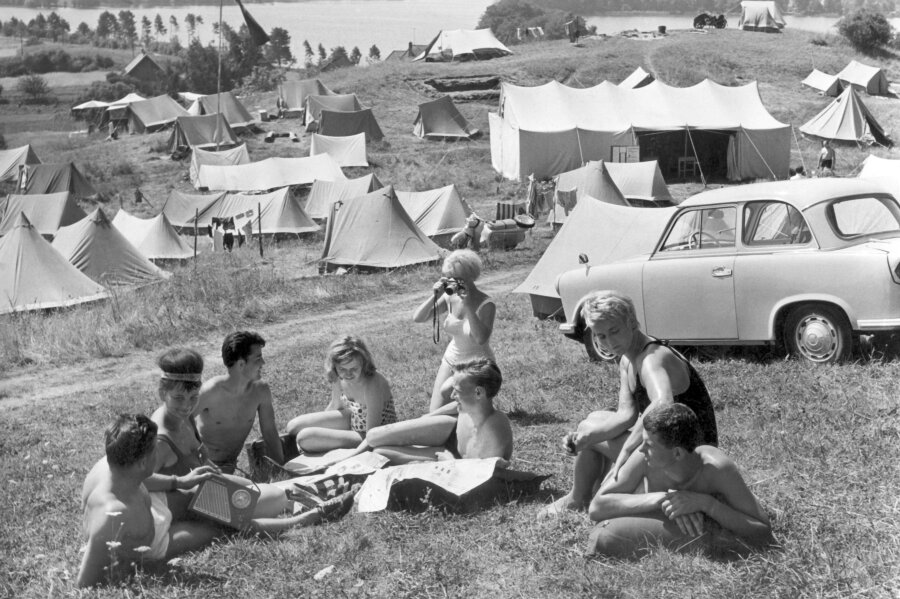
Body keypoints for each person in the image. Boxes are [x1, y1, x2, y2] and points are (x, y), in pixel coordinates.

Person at [538, 290, 717, 519]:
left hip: (688, 456)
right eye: (601, 336)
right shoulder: (626, 359)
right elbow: (626, 415)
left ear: (632, 322)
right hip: (671, 448)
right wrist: (586, 437)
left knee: (596, 429)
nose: (610, 342)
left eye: (615, 331)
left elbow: (663, 403)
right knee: (592, 421)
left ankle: (579, 498)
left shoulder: (652, 359)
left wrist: (626, 449)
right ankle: (588, 492)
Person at [145, 348, 356, 535]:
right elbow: (137, 480)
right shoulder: (159, 439)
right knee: (276, 498)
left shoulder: (181, 418)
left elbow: (197, 456)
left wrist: (213, 473)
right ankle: (303, 520)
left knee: (263, 489)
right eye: (178, 398)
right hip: (188, 502)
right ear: (162, 393)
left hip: (203, 490)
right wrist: (178, 482)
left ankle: (315, 494)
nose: (186, 406)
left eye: (193, 398)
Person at [587, 404, 774, 558]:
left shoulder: (716, 468)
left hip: (699, 530)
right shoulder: (642, 458)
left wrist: (706, 504)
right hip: (645, 507)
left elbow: (763, 531)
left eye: (649, 445)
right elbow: (596, 508)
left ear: (677, 453)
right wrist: (663, 499)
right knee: (603, 536)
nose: (641, 449)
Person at [78, 414, 223, 587]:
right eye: (155, 449)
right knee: (217, 529)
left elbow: (140, 477)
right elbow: (83, 584)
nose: (159, 452)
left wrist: (179, 481)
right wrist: (131, 571)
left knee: (205, 499)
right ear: (141, 463)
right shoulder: (113, 514)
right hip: (153, 542)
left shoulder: (116, 463)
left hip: (149, 505)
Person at [365, 358, 513, 466]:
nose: (452, 395)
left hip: (457, 461)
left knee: (380, 452)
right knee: (373, 436)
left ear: (479, 393)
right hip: (451, 433)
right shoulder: (470, 405)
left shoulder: (494, 430)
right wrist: (427, 417)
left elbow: (482, 477)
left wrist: (450, 463)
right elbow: (456, 405)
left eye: (457, 391)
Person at [413, 250, 497, 412]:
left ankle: (479, 406)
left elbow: (481, 338)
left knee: (451, 408)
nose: (454, 283)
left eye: (459, 279)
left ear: (471, 277)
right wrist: (435, 295)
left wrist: (468, 306)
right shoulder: (450, 298)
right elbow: (418, 318)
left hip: (476, 366)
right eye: (450, 278)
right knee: (435, 412)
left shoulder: (486, 304)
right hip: (451, 359)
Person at [286, 336, 397, 453]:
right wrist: (321, 428)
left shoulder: (372, 383)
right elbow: (335, 405)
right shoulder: (338, 377)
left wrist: (349, 456)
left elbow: (372, 434)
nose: (348, 374)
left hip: (372, 434)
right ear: (334, 366)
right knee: (293, 426)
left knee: (305, 438)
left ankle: (298, 447)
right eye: (342, 369)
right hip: (353, 420)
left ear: (364, 363)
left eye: (353, 368)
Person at [195, 331, 284, 474]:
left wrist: (282, 470)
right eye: (258, 358)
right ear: (241, 364)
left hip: (229, 468)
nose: (263, 363)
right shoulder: (211, 391)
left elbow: (270, 433)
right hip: (202, 470)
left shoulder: (260, 391)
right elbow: (179, 421)